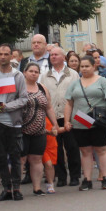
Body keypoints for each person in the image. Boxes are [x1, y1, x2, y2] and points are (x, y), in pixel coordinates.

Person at [64, 55, 106, 190]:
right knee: (85, 151)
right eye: (82, 66)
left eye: (87, 66)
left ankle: (105, 177)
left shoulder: (102, 81)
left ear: (94, 66)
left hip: (98, 121)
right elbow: (69, 103)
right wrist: (66, 121)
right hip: (80, 121)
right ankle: (87, 179)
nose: (84, 69)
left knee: (101, 149)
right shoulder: (75, 83)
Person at [0, 44, 29, 201]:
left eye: (6, 54)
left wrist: (7, 107)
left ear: (11, 55)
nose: (2, 57)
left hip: (13, 122)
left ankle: (17, 188)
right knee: (0, 156)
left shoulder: (17, 75)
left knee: (15, 155)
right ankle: (6, 188)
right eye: (0, 54)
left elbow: (24, 98)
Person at [42, 46, 80, 187]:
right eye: (51, 55)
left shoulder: (73, 74)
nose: (53, 57)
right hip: (52, 117)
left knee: (72, 147)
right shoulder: (45, 75)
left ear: (64, 57)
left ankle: (75, 176)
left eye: (56, 54)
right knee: (55, 149)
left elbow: (77, 93)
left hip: (69, 116)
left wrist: (71, 117)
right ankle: (61, 177)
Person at [19, 61, 51, 196]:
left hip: (39, 129)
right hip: (21, 129)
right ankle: (16, 188)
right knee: (20, 159)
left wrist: (54, 124)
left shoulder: (42, 87)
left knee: (36, 159)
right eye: (31, 71)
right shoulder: (19, 88)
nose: (33, 74)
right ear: (24, 73)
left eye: (36, 72)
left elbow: (48, 107)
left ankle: (37, 188)